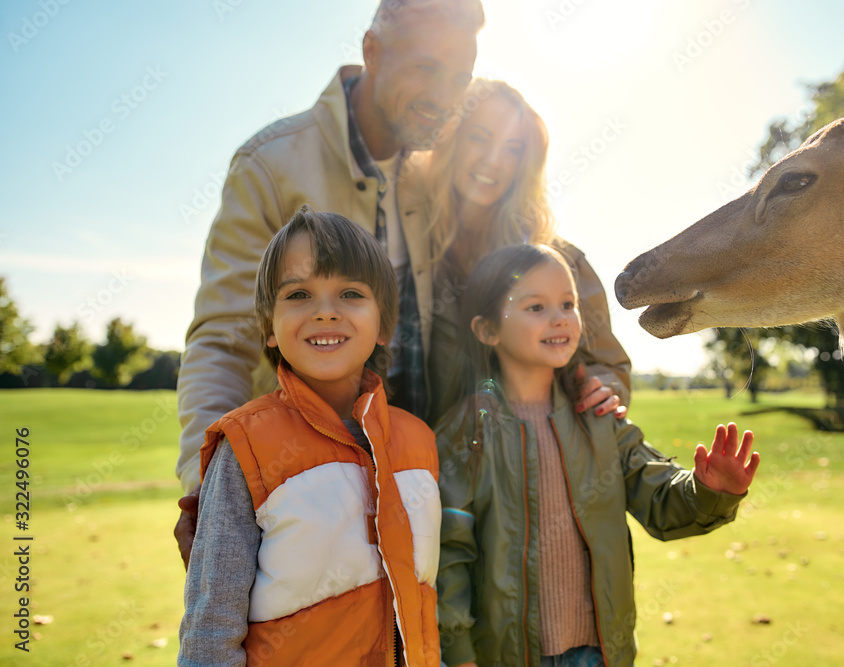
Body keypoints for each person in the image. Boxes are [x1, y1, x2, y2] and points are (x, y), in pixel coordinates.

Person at [173, 0, 485, 567]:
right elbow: (222, 339)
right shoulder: (272, 163)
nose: (443, 94)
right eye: (425, 67)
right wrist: (206, 481)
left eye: (459, 76)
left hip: (416, 497)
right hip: (300, 502)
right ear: (372, 50)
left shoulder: (434, 177)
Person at [435, 244, 760, 667]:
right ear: (487, 330)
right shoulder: (466, 431)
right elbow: (449, 552)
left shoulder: (600, 418)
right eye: (535, 306)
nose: (560, 318)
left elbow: (658, 497)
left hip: (599, 653)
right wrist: (458, 653)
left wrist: (709, 491)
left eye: (568, 304)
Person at [179, 206, 442, 665]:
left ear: (384, 325)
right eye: (299, 294)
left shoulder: (417, 440)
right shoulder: (244, 446)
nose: (325, 312)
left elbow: (422, 603)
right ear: (269, 328)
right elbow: (211, 628)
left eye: (350, 293)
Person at [420, 79, 631, 424]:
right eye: (479, 138)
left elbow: (608, 364)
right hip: (436, 462)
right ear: (450, 139)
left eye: (512, 148)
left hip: (537, 461)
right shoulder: (407, 246)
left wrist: (607, 385)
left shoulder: (562, 261)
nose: (493, 160)